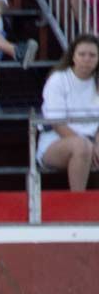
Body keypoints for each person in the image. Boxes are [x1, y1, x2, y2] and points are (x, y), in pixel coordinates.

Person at [36, 33, 99, 192]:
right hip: (56, 142)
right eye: (82, 54)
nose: (87, 59)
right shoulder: (58, 80)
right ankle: (77, 202)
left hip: (93, 141)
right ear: (73, 56)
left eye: (92, 55)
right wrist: (90, 146)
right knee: (82, 146)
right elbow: (57, 123)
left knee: (86, 146)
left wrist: (97, 145)